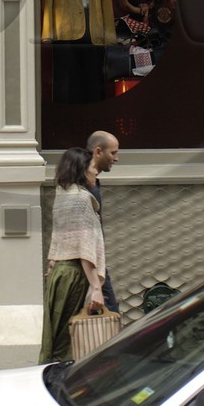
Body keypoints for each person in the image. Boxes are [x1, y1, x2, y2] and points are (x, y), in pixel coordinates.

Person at [39, 148, 106, 364]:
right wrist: (96, 288)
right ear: (81, 169)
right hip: (74, 275)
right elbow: (84, 248)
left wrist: (52, 260)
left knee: (54, 336)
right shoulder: (81, 200)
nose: (96, 172)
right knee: (67, 343)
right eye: (92, 167)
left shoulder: (63, 194)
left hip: (60, 273)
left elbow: (60, 234)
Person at [86, 130, 120, 313]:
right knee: (111, 317)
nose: (116, 159)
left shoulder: (90, 183)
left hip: (95, 266)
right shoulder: (85, 187)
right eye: (113, 153)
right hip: (90, 267)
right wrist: (96, 285)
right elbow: (84, 235)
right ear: (98, 152)